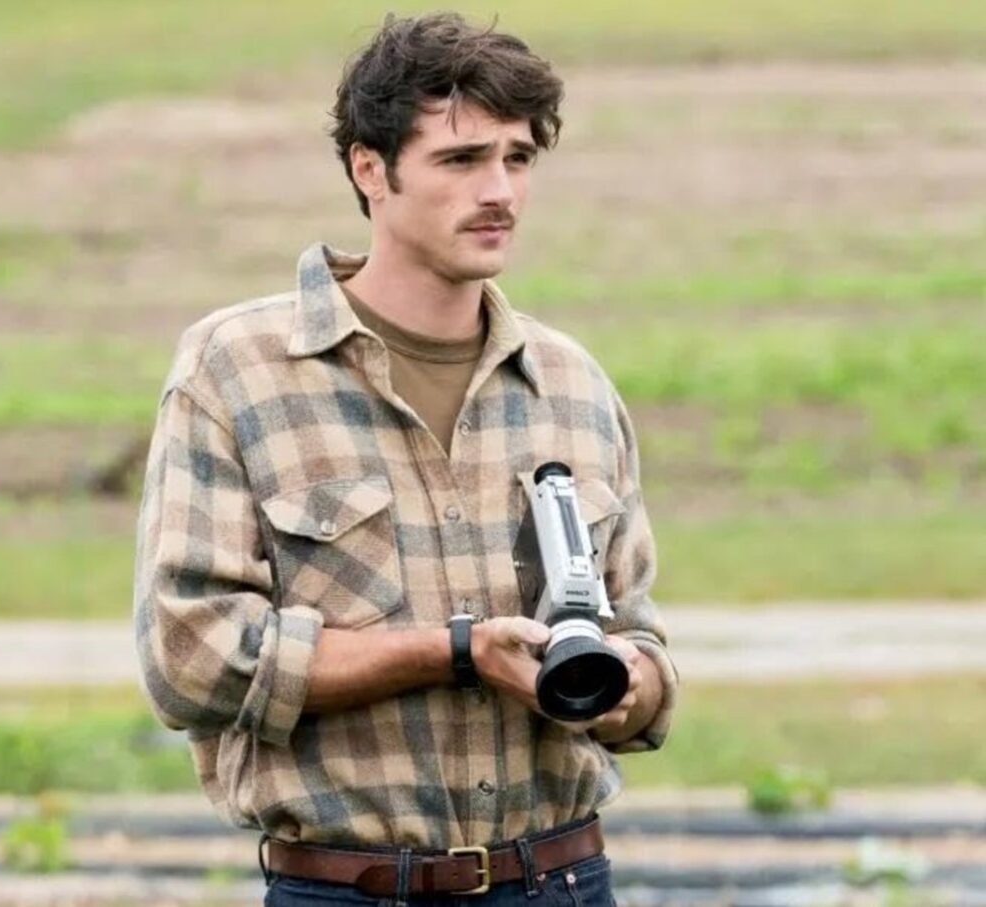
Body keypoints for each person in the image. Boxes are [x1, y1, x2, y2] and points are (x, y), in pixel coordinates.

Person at [134, 12, 677, 905]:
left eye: (518, 157)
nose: (499, 190)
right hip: (348, 886)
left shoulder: (573, 384)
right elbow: (191, 658)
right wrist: (454, 651)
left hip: (564, 879)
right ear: (369, 169)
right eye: (461, 160)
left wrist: (628, 688)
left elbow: (643, 646)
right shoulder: (236, 369)